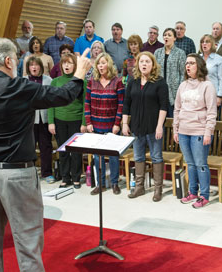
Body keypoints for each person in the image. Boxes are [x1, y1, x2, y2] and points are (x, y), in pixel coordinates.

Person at [0, 37, 91, 271]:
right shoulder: (18, 88)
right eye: (17, 59)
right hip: (16, 174)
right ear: (9, 61)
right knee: (27, 243)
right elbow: (62, 96)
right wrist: (79, 73)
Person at [122, 52, 169, 202]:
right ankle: (139, 187)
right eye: (141, 61)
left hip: (153, 127)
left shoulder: (160, 82)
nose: (144, 64)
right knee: (138, 157)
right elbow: (126, 104)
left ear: (153, 65)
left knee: (156, 157)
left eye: (147, 61)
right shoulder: (133, 82)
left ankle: (157, 189)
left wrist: (160, 126)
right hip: (136, 126)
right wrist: (124, 123)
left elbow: (163, 106)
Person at [173, 54, 217, 208]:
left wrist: (208, 132)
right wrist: (175, 129)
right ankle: (192, 192)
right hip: (184, 130)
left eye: (191, 63)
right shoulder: (183, 85)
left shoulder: (207, 85)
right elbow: (177, 108)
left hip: (199, 130)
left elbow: (212, 112)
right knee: (190, 164)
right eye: (186, 63)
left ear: (198, 65)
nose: (188, 66)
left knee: (200, 164)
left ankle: (204, 195)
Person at [85, 53, 124, 195]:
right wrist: (88, 122)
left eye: (103, 63)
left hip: (112, 125)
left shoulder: (117, 81)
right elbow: (87, 103)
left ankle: (114, 183)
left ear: (109, 64)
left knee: (113, 156)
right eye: (99, 64)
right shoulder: (92, 81)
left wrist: (117, 123)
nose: (101, 66)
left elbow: (121, 104)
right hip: (95, 125)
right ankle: (100, 184)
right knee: (97, 157)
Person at [48, 53, 87, 189]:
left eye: (70, 63)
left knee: (76, 151)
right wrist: (51, 122)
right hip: (59, 120)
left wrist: (84, 123)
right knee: (63, 150)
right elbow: (51, 103)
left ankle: (76, 178)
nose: (66, 65)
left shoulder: (81, 81)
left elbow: (85, 103)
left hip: (76, 120)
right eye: (64, 63)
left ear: (75, 66)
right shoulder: (55, 81)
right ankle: (65, 178)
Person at [24, 56, 54, 183]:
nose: (34, 67)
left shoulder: (48, 80)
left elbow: (52, 98)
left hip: (44, 117)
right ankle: (29, 173)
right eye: (31, 65)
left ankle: (47, 173)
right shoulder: (23, 81)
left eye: (36, 65)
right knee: (29, 147)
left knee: (45, 146)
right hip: (29, 119)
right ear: (28, 67)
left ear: (41, 67)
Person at [155, 28, 187, 117]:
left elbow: (183, 73)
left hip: (173, 91)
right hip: (159, 89)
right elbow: (154, 71)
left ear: (174, 38)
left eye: (169, 35)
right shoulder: (157, 52)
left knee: (172, 117)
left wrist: (180, 90)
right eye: (165, 35)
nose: (166, 37)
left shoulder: (180, 53)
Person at [199, 34, 222, 106]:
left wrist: (219, 96)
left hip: (213, 93)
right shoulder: (197, 58)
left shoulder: (219, 59)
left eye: (207, 42)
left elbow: (221, 79)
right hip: (198, 94)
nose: (204, 44)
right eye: (202, 42)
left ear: (212, 44)